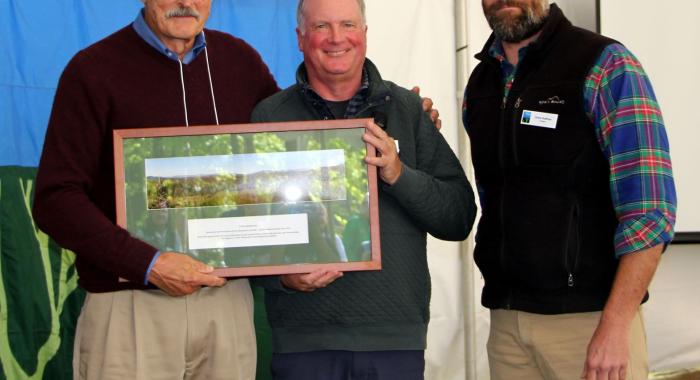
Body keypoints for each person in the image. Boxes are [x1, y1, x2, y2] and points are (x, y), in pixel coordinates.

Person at [32, 0, 279, 378]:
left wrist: (379, 114)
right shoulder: (93, 70)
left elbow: (289, 153)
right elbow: (56, 199)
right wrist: (148, 264)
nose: (185, 3)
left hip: (226, 302)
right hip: (131, 307)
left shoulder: (240, 61)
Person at [250, 0, 477, 378]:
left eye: (348, 25)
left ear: (365, 34)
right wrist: (283, 278)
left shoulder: (407, 109)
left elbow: (459, 217)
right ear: (301, 38)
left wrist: (398, 173)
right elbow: (250, 230)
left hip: (393, 341)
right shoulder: (270, 117)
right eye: (322, 27)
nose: (336, 38)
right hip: (303, 341)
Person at [463, 1, 677, 379]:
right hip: (507, 324)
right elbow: (493, 199)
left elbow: (650, 210)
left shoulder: (606, 65)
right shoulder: (481, 83)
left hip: (589, 324)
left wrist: (614, 326)